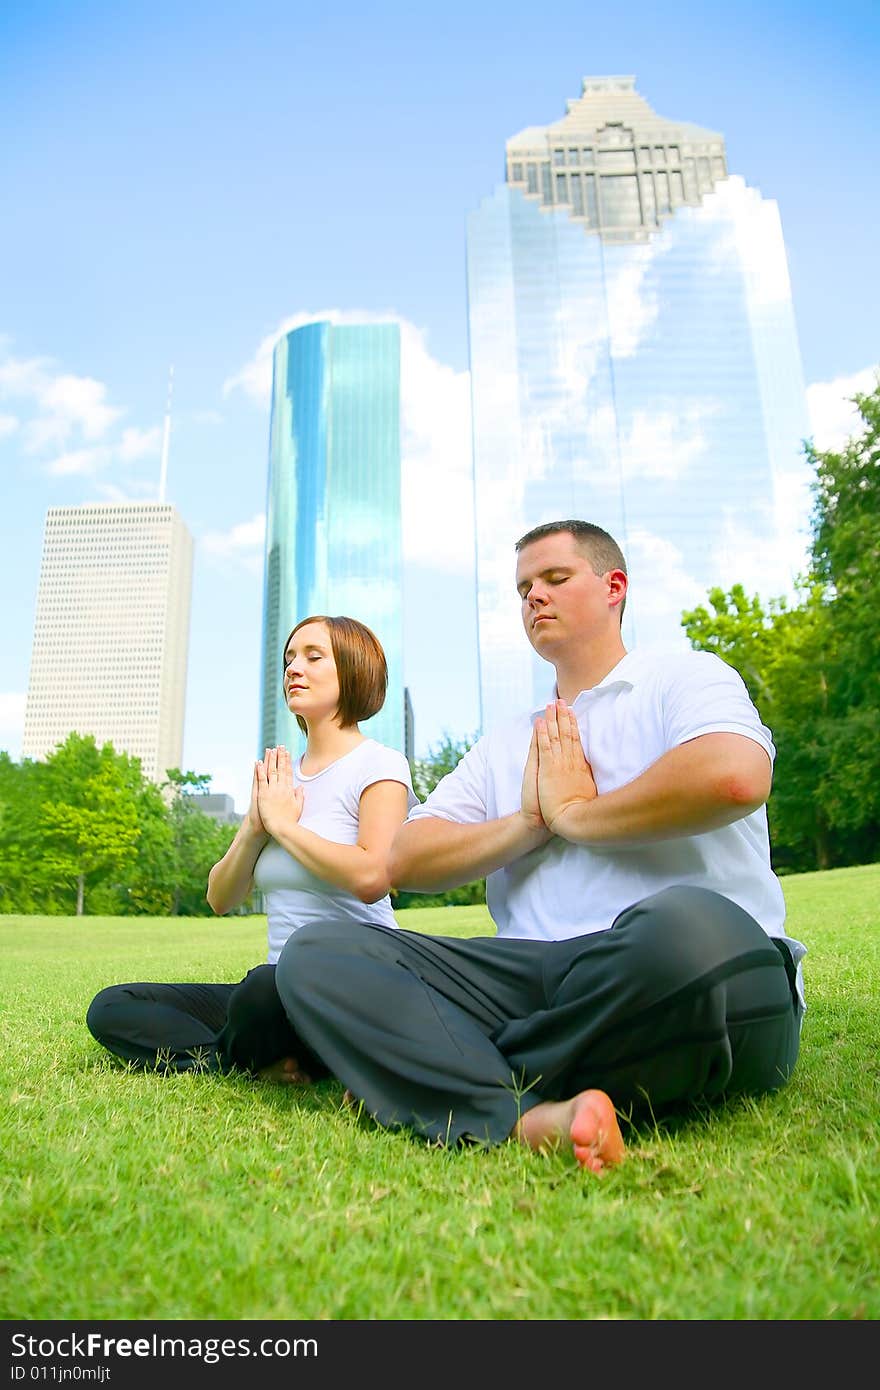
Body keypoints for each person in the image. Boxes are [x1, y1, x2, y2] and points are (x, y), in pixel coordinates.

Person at [272, 522, 806, 1172]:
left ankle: (442, 1067)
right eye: (524, 587)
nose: (534, 598)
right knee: (321, 952)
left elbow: (734, 774)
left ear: (614, 588)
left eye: (554, 579)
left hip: (682, 971)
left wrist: (581, 815)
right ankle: (523, 1118)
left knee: (689, 927)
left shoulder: (683, 677)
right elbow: (404, 859)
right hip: (531, 978)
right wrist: (530, 821)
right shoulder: (506, 743)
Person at [86, 614, 417, 1079]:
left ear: (353, 670)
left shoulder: (380, 765)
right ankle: (253, 1062)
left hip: (356, 984)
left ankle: (251, 1056)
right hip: (278, 987)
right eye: (289, 659)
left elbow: (371, 876)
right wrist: (254, 826)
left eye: (312, 656)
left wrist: (285, 827)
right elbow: (220, 899)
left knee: (260, 992)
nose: (293, 669)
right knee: (113, 1006)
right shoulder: (280, 779)